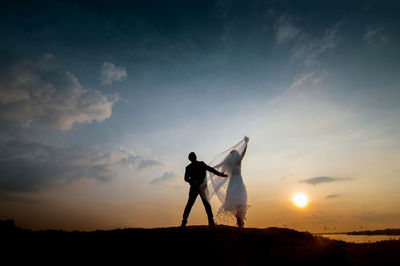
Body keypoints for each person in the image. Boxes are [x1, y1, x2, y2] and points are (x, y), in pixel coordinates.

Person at [206, 136, 249, 228]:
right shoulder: (238, 161)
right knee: (240, 202)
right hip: (238, 183)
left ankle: (239, 221)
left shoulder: (229, 164)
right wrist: (246, 144)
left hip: (232, 184)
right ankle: (240, 221)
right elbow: (243, 153)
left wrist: (211, 169)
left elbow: (219, 167)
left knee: (236, 202)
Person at [181, 152, 227, 227]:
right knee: (204, 204)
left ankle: (184, 222)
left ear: (190, 159)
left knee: (192, 204)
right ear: (195, 157)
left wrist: (192, 181)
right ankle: (210, 222)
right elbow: (211, 169)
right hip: (199, 187)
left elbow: (186, 179)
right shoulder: (199, 164)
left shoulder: (189, 167)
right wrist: (219, 174)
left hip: (198, 187)